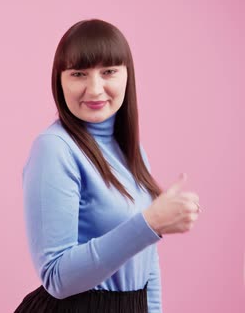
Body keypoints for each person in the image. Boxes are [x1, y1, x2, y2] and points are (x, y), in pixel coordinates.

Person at [14, 19, 201, 313]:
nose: (95, 88)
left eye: (109, 71)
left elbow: (146, 261)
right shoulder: (54, 149)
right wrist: (149, 223)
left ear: (127, 76)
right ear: (59, 81)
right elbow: (56, 277)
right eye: (78, 74)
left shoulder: (130, 149)